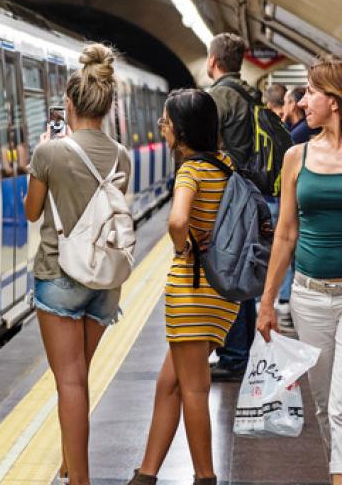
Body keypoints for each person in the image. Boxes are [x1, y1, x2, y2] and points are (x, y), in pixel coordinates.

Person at [23, 43, 130, 485]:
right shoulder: (122, 155)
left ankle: (79, 480)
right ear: (107, 106)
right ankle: (69, 461)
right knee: (81, 375)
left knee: (69, 382)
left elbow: (31, 212)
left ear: (69, 103)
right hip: (105, 280)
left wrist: (43, 155)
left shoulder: (50, 153)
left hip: (59, 275)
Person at [127, 89, 236, 485]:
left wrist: (184, 244)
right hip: (222, 292)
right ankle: (147, 473)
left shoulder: (190, 171)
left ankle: (205, 477)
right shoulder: (225, 165)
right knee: (168, 383)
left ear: (182, 129)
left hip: (193, 289)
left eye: (165, 122)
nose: (162, 128)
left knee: (193, 387)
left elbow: (177, 221)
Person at [257, 56, 342, 485]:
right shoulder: (297, 156)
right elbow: (286, 234)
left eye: (311, 92)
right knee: (326, 407)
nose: (302, 100)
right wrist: (268, 302)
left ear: (335, 100)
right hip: (310, 296)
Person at [205, 33, 260, 381]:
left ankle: (235, 355)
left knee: (231, 272)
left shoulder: (218, 97)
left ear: (213, 61)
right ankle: (243, 350)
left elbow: (206, 146)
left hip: (230, 193)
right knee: (245, 272)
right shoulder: (251, 94)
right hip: (252, 189)